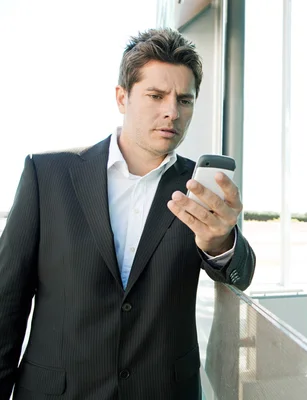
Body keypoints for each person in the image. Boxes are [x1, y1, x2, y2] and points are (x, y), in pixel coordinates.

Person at [0, 28, 255, 399]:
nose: (172, 111)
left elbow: (241, 274)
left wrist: (220, 241)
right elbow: (7, 301)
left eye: (185, 100)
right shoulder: (47, 175)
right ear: (122, 97)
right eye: (156, 96)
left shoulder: (201, 189)